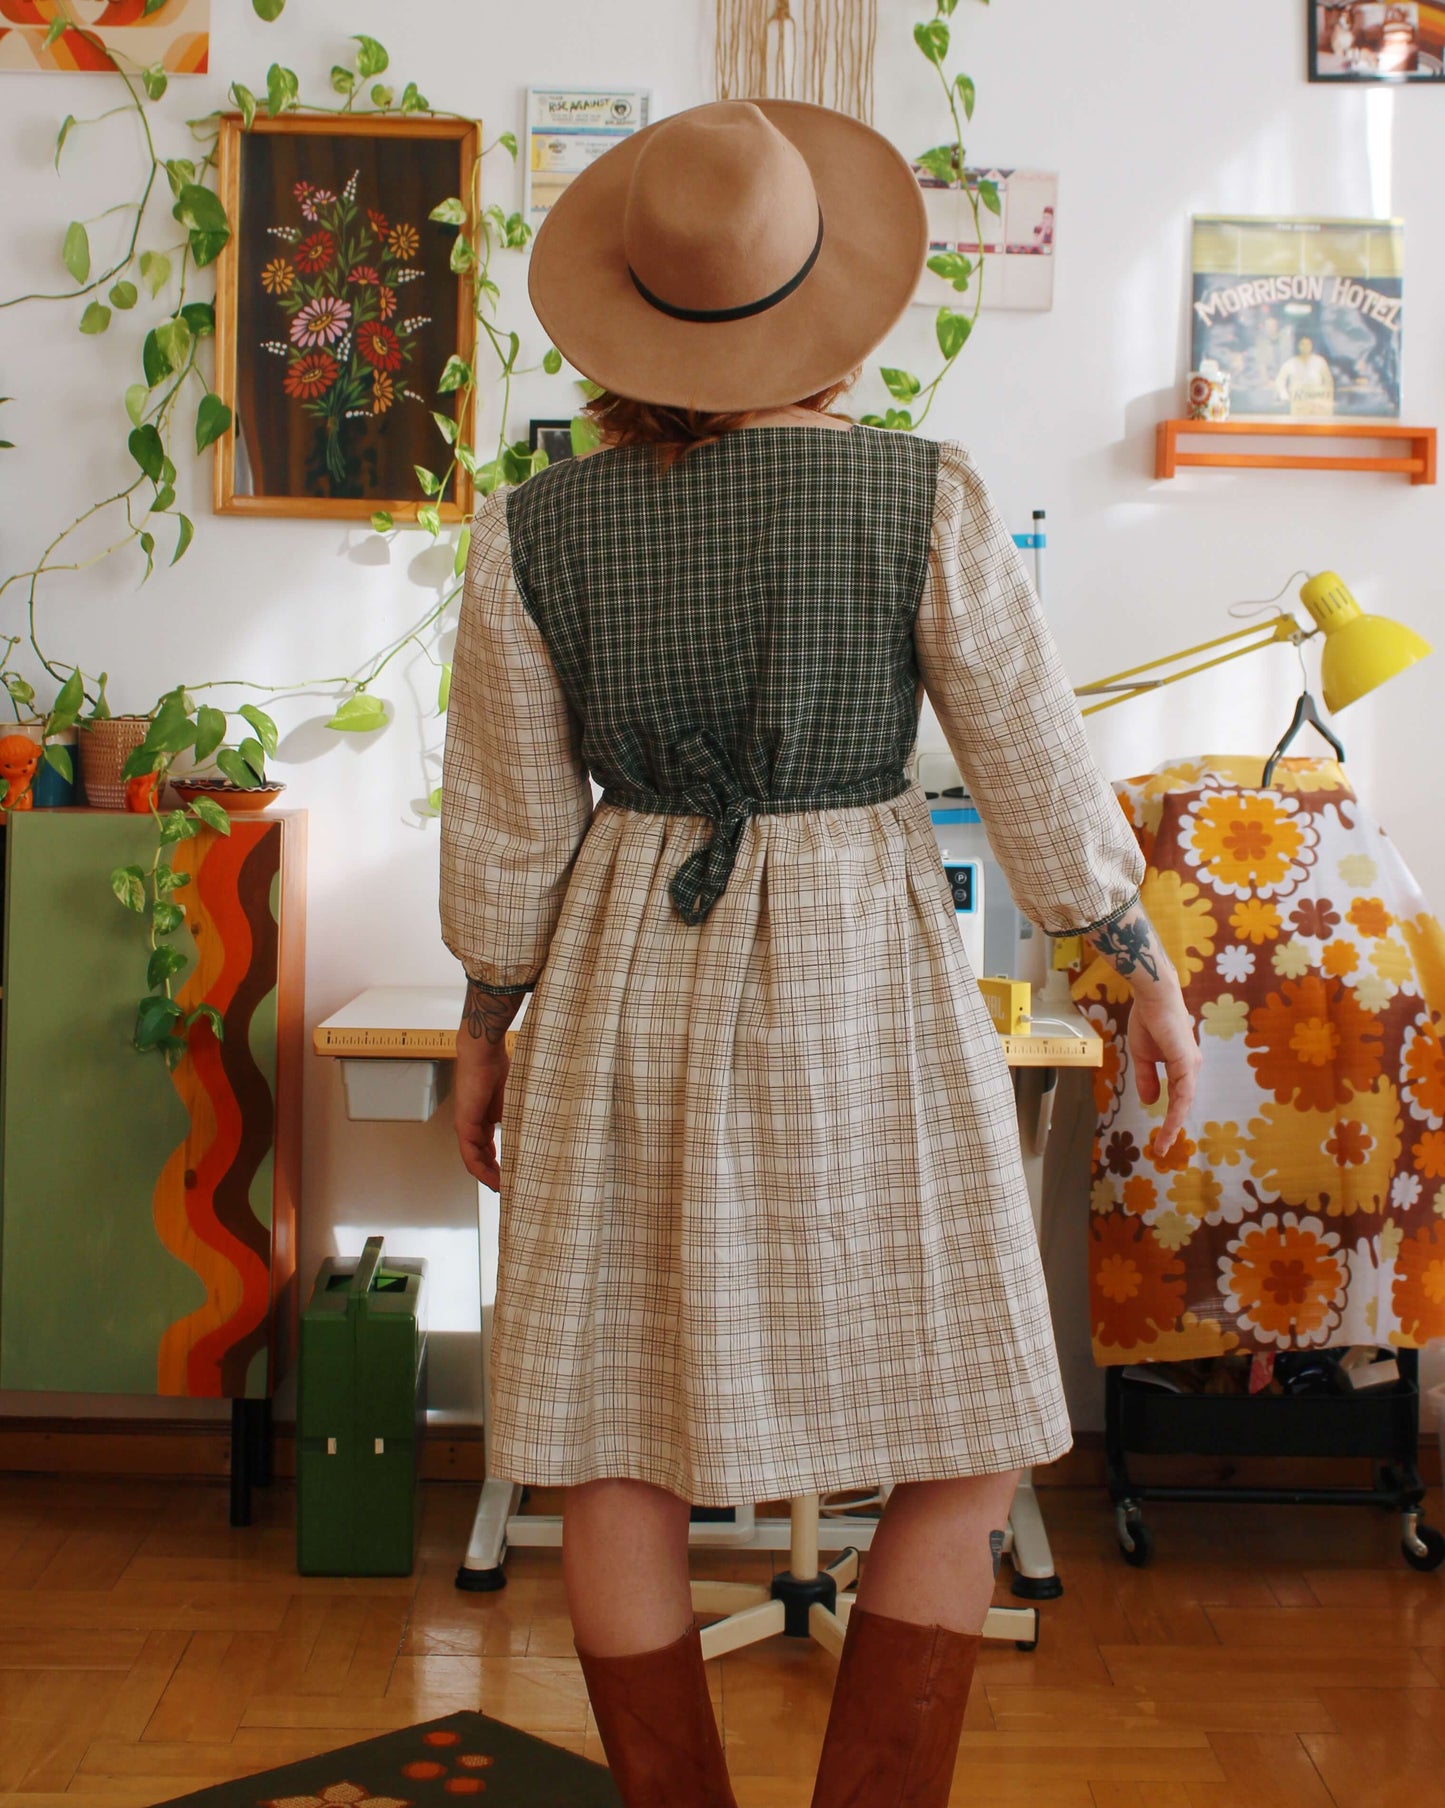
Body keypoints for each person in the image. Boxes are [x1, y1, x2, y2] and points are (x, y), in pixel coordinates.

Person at [440, 98, 1200, 1808]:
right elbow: (1027, 753)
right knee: (967, 1429)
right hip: (860, 970)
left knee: (609, 1445)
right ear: (820, 298)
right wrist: (1122, 952)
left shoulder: (532, 530)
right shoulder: (919, 495)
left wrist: (490, 1014)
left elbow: (506, 819)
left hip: (625, 960)